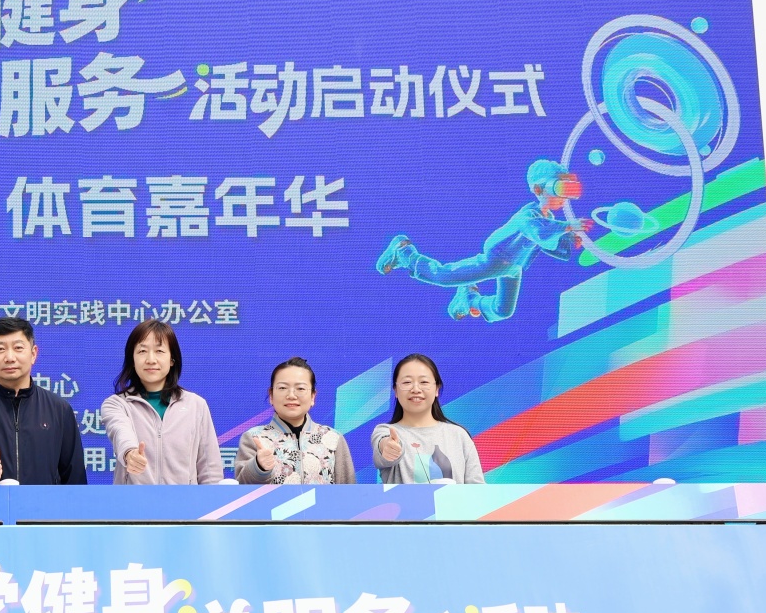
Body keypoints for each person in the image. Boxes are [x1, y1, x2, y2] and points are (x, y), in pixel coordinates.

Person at [375, 159, 591, 322]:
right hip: (496, 260)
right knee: (443, 275)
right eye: (559, 189)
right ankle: (404, 252)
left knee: (503, 310)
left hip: (513, 267)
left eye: (569, 189)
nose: (564, 198)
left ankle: (469, 299)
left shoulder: (547, 217)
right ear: (538, 189)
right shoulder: (529, 216)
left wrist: (569, 239)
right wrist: (568, 227)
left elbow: (544, 242)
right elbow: (539, 233)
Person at [0, 317, 85, 485]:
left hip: (44, 502)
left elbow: (74, 477)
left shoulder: (59, 409)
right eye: (0, 349)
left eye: (18, 348)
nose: (10, 357)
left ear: (33, 354)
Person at [99, 320, 222, 485]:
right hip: (133, 500)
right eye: (142, 351)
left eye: (159, 351)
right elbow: (121, 432)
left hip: (185, 501)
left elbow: (210, 471)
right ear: (132, 359)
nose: (151, 359)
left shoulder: (196, 405)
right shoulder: (117, 404)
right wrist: (130, 453)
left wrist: (213, 499)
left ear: (172, 359)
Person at [236, 357, 354, 484]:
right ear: (271, 395)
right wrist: (258, 467)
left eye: (300, 388)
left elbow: (350, 491)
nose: (291, 395)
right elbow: (241, 490)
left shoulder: (333, 439)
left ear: (313, 396)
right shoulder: (254, 438)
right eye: (282, 388)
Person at [371, 353, 484, 483]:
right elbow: (383, 444)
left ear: (437, 389)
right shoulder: (385, 431)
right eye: (407, 382)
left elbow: (477, 488)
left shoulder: (459, 435)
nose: (416, 389)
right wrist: (389, 448)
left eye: (424, 382)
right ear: (396, 390)